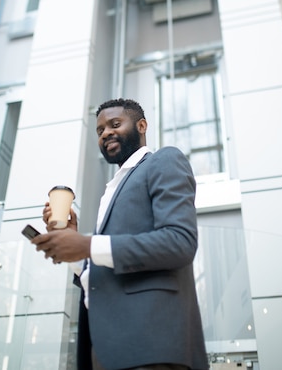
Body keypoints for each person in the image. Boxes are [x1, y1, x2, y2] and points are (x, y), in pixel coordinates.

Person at [32, 98, 208, 370]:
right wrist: (76, 251)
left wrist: (87, 244)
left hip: (150, 345)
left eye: (115, 124)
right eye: (100, 130)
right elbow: (107, 264)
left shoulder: (163, 161)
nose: (106, 133)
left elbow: (180, 242)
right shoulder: (111, 189)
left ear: (141, 125)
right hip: (106, 347)